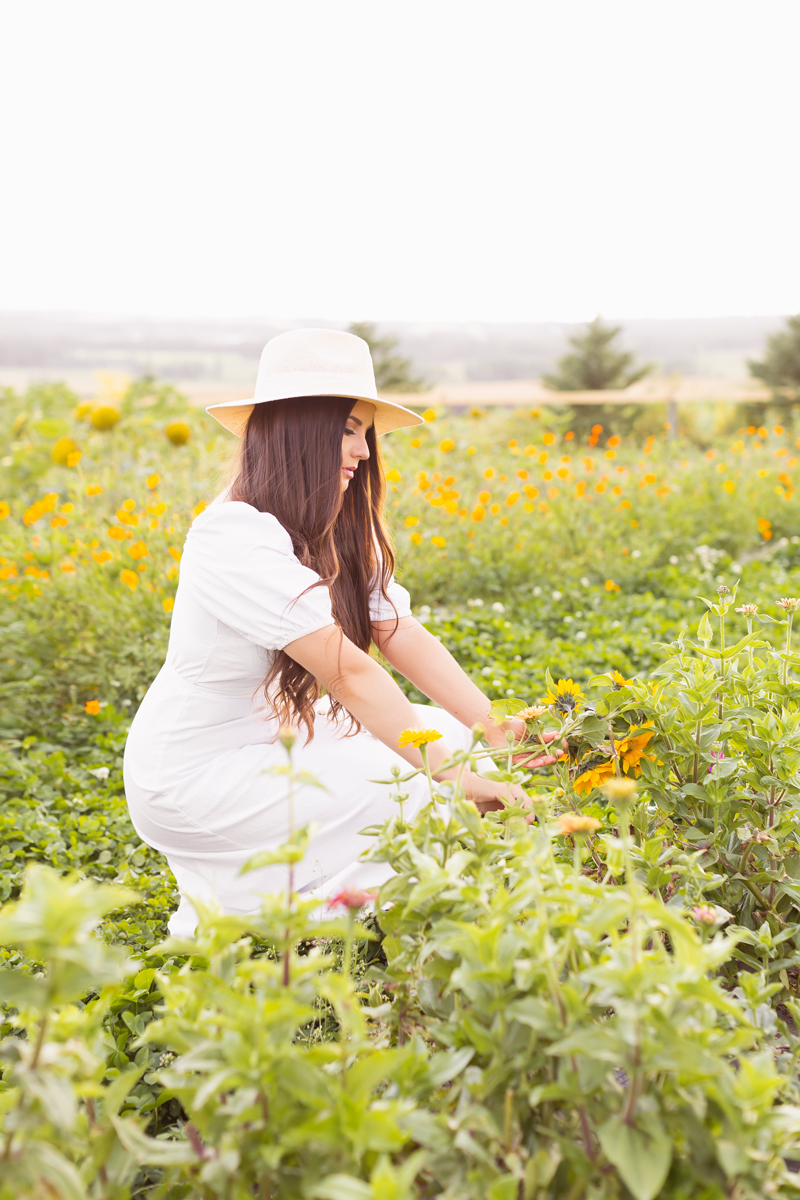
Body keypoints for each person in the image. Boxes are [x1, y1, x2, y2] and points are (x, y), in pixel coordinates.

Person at [123, 328, 558, 936]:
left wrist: (495, 727)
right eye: (346, 429)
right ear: (295, 430)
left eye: (364, 431)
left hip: (281, 738)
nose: (363, 451)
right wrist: (455, 781)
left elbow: (396, 630)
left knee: (455, 741)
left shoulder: (334, 525)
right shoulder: (232, 535)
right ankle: (308, 918)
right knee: (416, 791)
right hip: (198, 772)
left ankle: (319, 894)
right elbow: (346, 670)